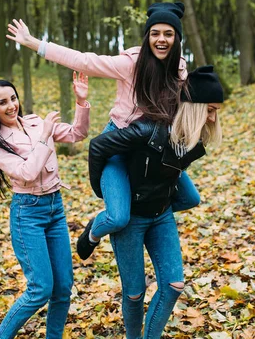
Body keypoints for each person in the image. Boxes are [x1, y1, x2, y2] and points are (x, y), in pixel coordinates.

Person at [6, 2, 201, 261]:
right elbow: (84, 61)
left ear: (177, 38)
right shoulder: (130, 64)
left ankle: (142, 218)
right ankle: (95, 232)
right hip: (119, 145)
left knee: (190, 198)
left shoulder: (179, 71)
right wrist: (33, 42)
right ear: (147, 37)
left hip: (153, 149)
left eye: (168, 34)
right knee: (118, 216)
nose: (161, 40)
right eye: (155, 33)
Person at [87, 66, 224, 339]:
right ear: (194, 108)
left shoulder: (192, 139)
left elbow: (172, 170)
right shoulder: (146, 130)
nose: (213, 117)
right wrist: (105, 195)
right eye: (209, 109)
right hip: (131, 218)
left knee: (173, 285)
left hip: (160, 214)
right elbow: (98, 145)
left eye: (215, 110)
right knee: (135, 294)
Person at [0, 73, 90, 339]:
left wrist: (81, 101)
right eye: (2, 102)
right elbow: (27, 172)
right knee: (41, 288)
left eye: (13, 98)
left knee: (63, 287)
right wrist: (45, 136)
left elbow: (78, 133)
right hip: (27, 213)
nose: (11, 106)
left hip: (55, 208)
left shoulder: (36, 122)